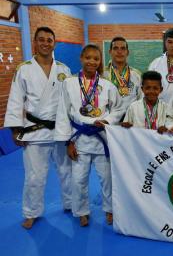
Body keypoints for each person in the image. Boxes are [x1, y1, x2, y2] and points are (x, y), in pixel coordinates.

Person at [4, 26, 72, 229]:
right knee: (34, 176)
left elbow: (70, 101)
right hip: (34, 131)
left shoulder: (63, 69)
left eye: (49, 40)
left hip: (60, 130)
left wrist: (73, 130)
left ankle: (71, 204)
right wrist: (15, 129)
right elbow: (16, 99)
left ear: (54, 43)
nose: (45, 43)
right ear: (35, 42)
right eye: (41, 39)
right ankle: (31, 212)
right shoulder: (24, 69)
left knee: (67, 171)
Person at [55, 44, 122, 227]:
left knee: (107, 179)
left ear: (100, 61)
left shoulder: (107, 85)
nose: (92, 62)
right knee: (78, 180)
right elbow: (63, 113)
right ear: (81, 58)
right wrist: (68, 141)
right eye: (88, 58)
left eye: (96, 58)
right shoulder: (68, 83)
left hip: (101, 139)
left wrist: (107, 120)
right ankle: (81, 211)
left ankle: (110, 210)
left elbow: (118, 108)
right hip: (79, 139)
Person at [104, 36, 142, 118]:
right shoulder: (102, 75)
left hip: (131, 121)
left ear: (127, 52)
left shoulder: (136, 75)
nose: (119, 51)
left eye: (123, 48)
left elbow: (141, 99)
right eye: (115, 48)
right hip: (109, 122)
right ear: (110, 52)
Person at [148, 28, 173, 103]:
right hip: (162, 107)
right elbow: (149, 89)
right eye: (170, 42)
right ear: (165, 44)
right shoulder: (155, 64)